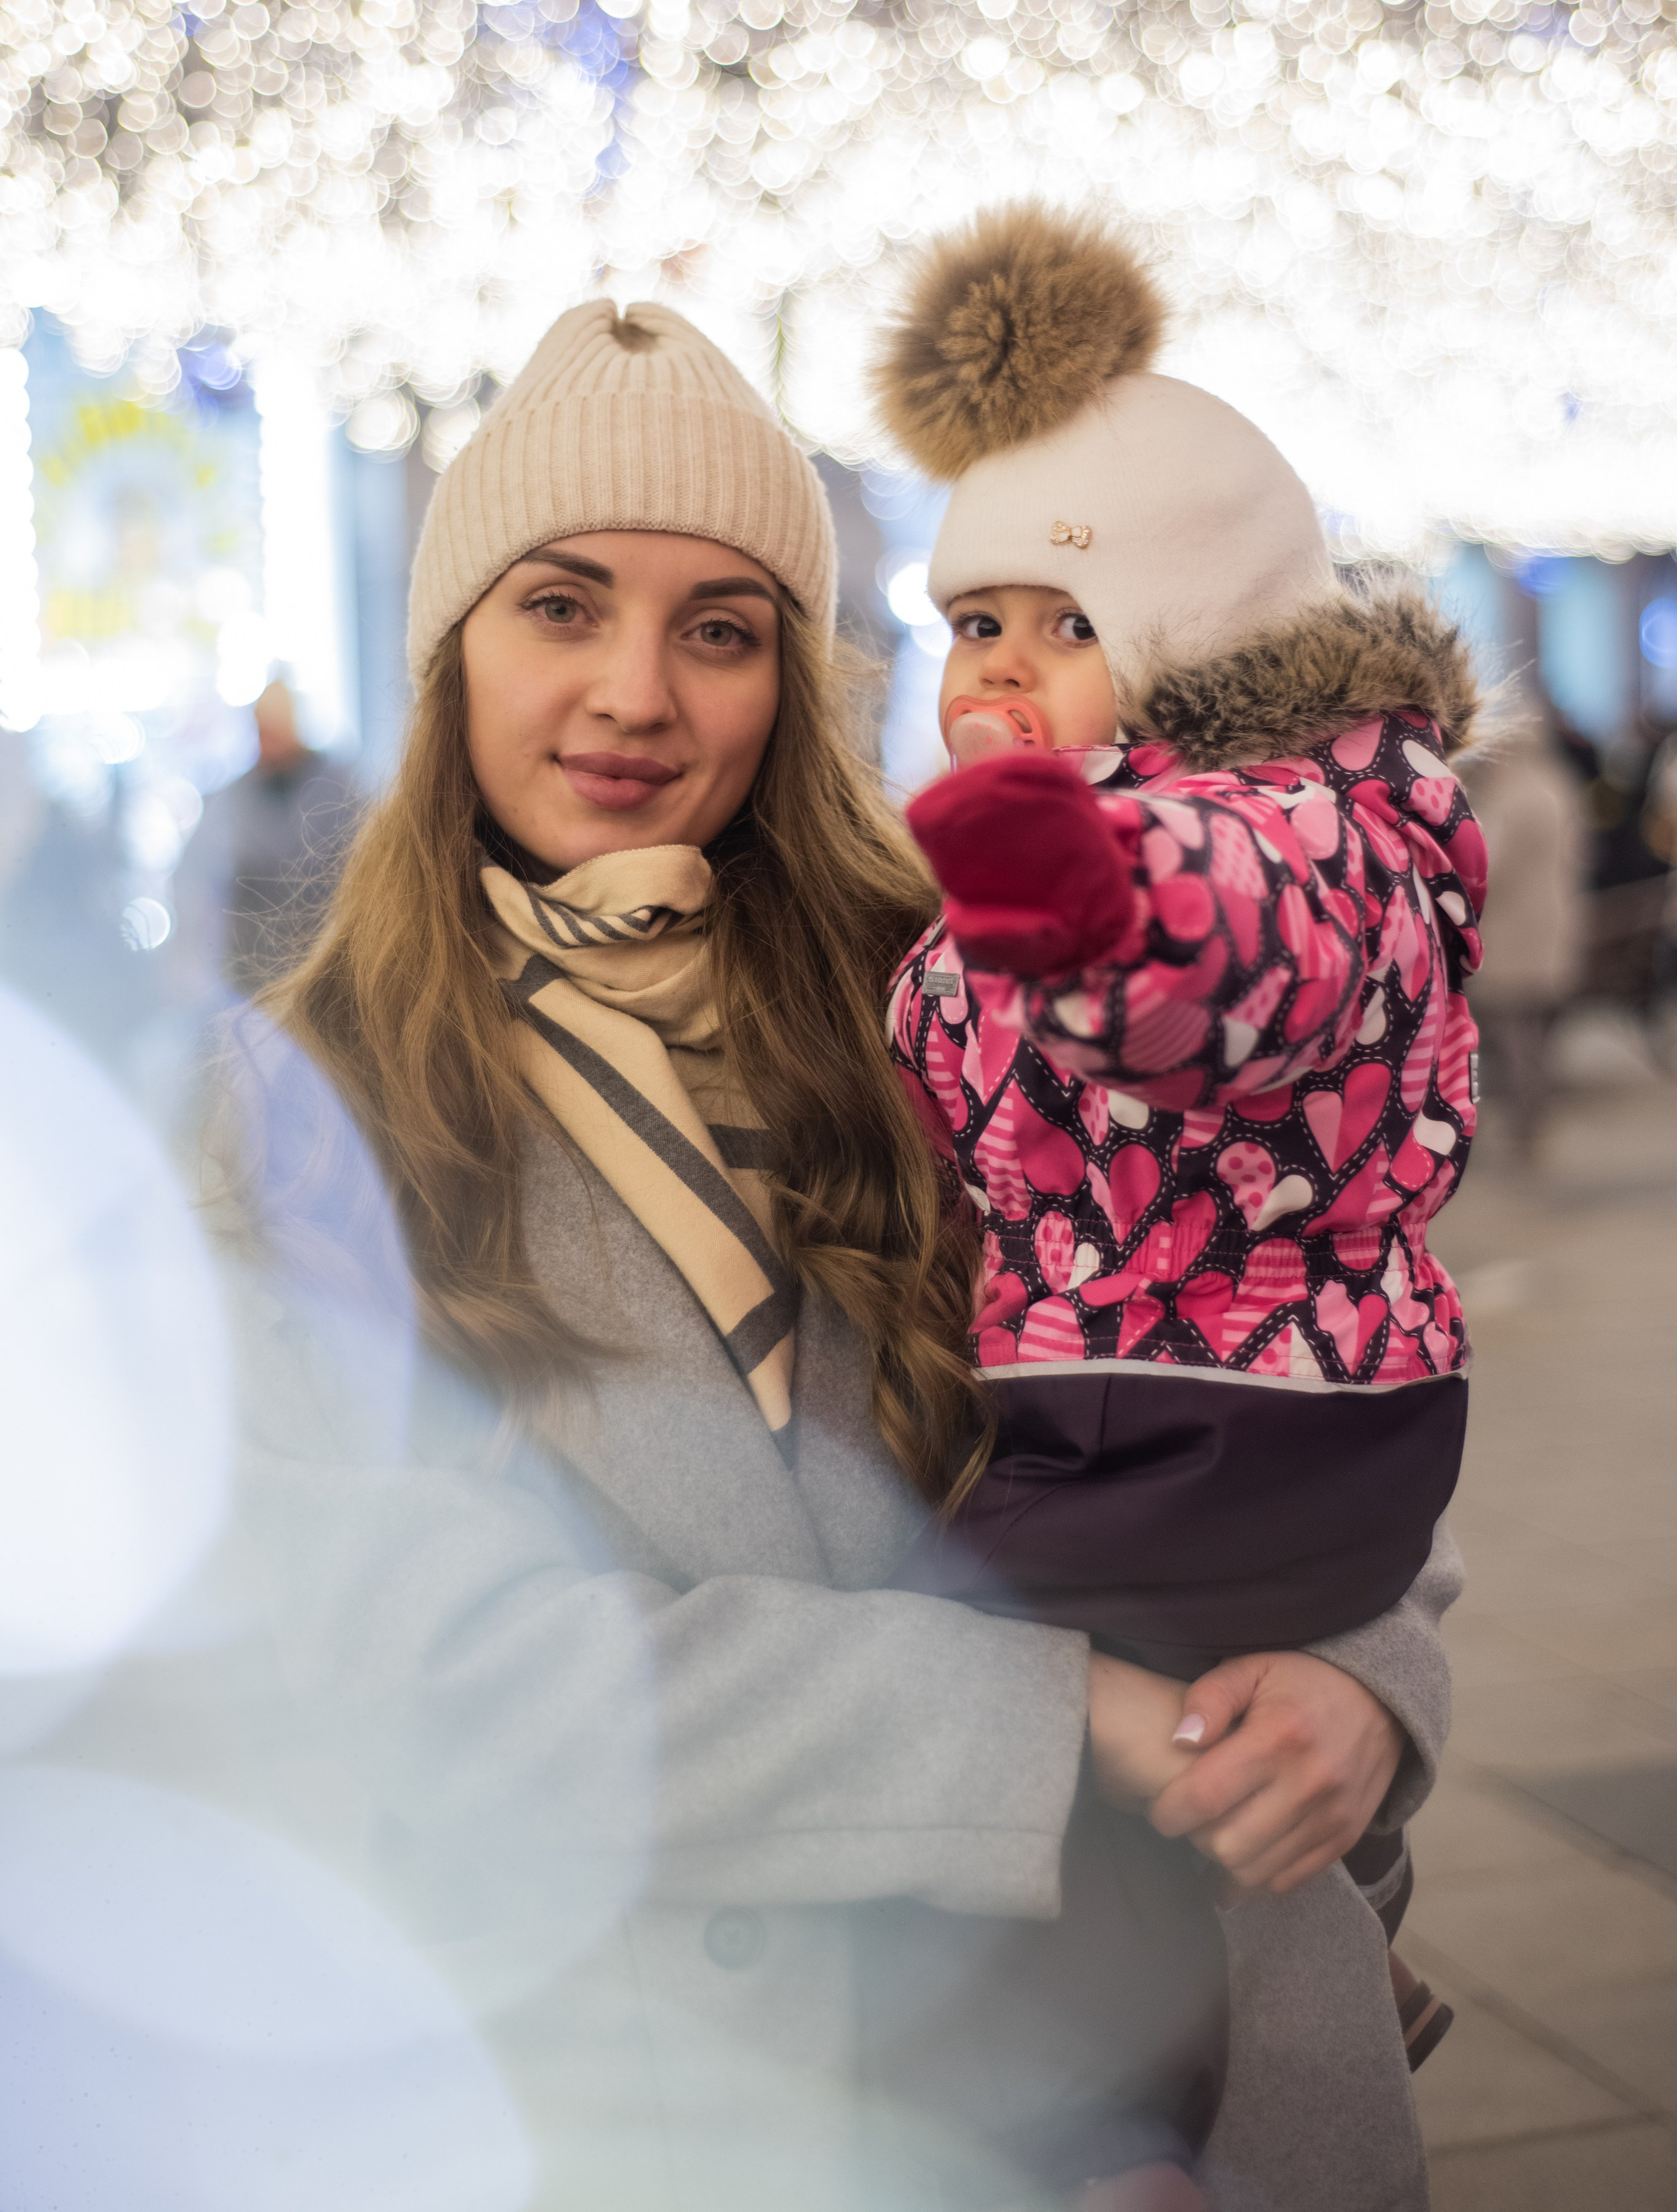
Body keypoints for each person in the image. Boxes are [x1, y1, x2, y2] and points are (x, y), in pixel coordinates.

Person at [225, 295, 1459, 2212]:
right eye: (561, 606)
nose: (638, 691)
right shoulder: (298, 1115)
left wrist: (1365, 1690)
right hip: (686, 2092)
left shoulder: (986, 974)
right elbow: (423, 1674)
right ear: (446, 647)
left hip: (1186, 2018)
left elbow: (1315, 1325)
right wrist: (1049, 1728)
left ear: (792, 676)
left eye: (719, 629)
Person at [876, 207, 1482, 2080]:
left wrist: (1082, 901)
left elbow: (1228, 956)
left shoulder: (1282, 832)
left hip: (1234, 1402)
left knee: (1020, 1696)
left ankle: (1132, 2119)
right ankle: (1345, 1934)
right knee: (1083, 1711)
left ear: (1201, 647)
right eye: (977, 621)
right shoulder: (996, 871)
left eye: (1070, 627)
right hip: (1144, 1381)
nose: (1002, 665)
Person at [174, 675, 360, 998]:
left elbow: (368, 876)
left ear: (294, 728)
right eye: (260, 732)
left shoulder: (341, 794)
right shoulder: (231, 801)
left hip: (327, 974)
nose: (266, 744)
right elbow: (192, 879)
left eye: (273, 732)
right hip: (249, 979)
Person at [1466, 709, 1587, 1159]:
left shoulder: (1512, 796)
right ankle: (1529, 1117)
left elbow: (1488, 867)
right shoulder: (1558, 786)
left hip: (1512, 930)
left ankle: (1520, 1122)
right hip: (1552, 924)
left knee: (1507, 1033)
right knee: (1532, 1032)